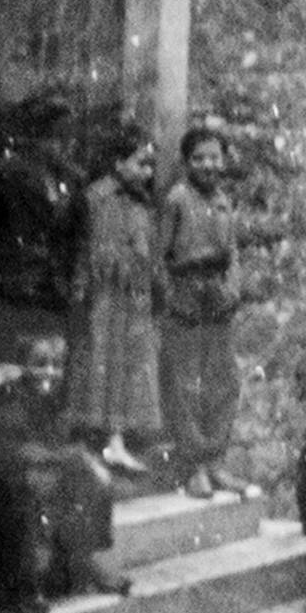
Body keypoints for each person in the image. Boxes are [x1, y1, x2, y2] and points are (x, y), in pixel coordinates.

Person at [0, 334, 131, 613]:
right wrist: (67, 457)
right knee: (31, 491)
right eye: (40, 364)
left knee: (94, 481)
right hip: (10, 474)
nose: (50, 372)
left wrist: (79, 459)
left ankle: (86, 559)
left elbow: (60, 440)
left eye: (56, 365)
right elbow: (16, 451)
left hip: (42, 465)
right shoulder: (10, 401)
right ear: (21, 367)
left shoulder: (53, 401)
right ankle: (25, 586)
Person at [158, 127, 256, 499]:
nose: (208, 165)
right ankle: (193, 466)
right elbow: (160, 257)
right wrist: (172, 298)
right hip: (185, 297)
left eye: (214, 157)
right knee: (185, 384)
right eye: (199, 158)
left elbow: (233, 254)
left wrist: (232, 291)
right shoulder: (177, 200)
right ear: (187, 163)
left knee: (223, 381)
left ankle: (215, 461)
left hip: (216, 300)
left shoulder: (224, 202)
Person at [64, 122, 161, 473]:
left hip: (132, 297)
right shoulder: (97, 198)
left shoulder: (143, 204)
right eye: (140, 163)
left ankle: (116, 440)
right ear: (118, 163)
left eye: (151, 166)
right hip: (103, 295)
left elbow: (146, 250)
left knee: (128, 365)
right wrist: (83, 287)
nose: (147, 172)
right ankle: (89, 442)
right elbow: (86, 248)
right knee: (98, 362)